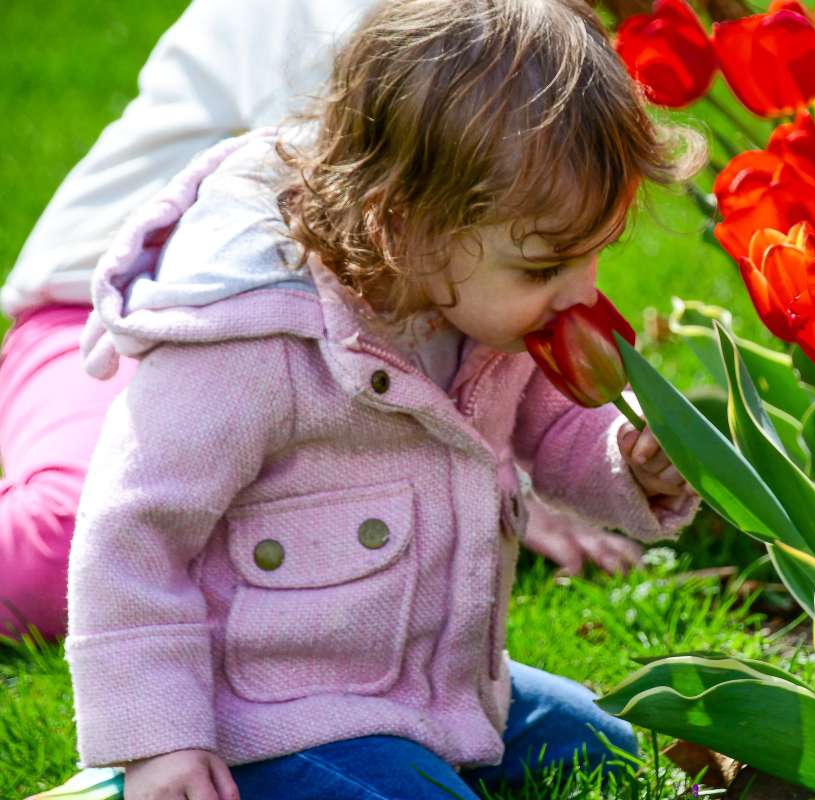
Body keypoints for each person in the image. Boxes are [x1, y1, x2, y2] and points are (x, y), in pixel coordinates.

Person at [64, 1, 704, 798]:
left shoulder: (483, 311)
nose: (582, 293)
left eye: (594, 254)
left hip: (447, 694)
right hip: (268, 721)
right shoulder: (252, 340)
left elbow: (561, 429)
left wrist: (630, 464)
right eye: (545, 266)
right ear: (400, 225)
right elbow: (132, 533)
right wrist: (158, 740)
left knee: (617, 756)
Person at [0, 0, 645, 642]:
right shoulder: (399, 34)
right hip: (116, 313)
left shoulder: (527, 41)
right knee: (73, 541)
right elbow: (346, 205)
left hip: (386, 324)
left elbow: (493, 251)